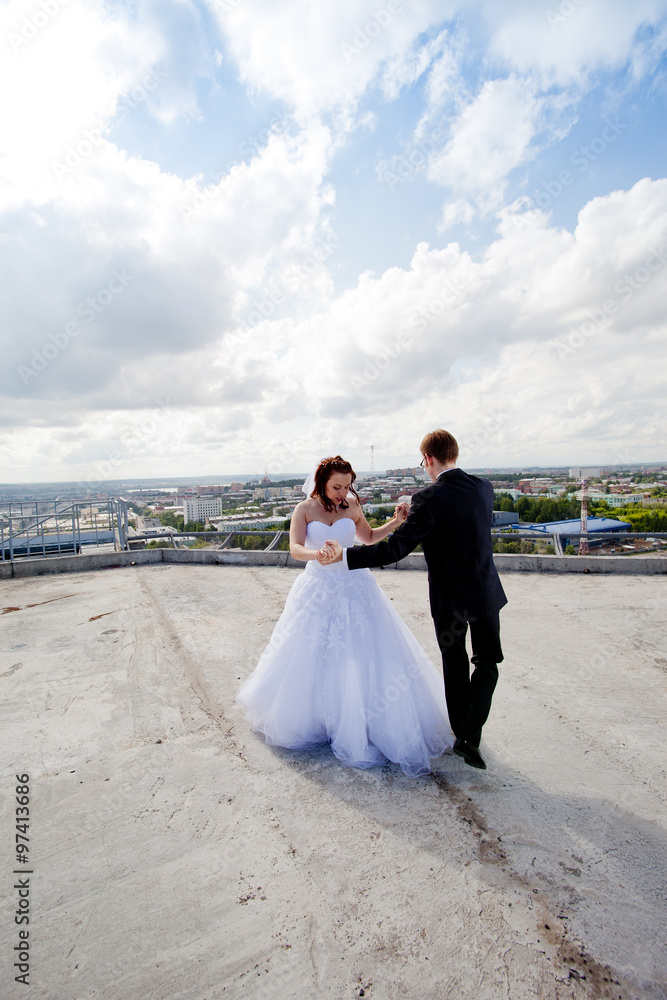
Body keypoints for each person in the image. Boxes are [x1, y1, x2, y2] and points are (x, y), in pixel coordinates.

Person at [236, 455, 452, 777]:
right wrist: (317, 554)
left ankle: (363, 717)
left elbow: (369, 538)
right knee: (313, 653)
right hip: (318, 587)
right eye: (337, 487)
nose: (342, 493)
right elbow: (295, 548)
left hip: (356, 585)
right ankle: (320, 717)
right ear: (321, 482)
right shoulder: (304, 509)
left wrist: (395, 522)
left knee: (364, 651)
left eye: (347, 486)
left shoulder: (352, 505)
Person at [319, 430, 507, 770]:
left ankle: (462, 733)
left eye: (423, 462)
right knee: (488, 662)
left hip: (448, 596)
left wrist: (345, 557)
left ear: (429, 459)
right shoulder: (484, 487)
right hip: (484, 590)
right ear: (454, 454)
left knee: (454, 663)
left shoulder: (428, 498)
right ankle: (469, 735)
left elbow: (394, 550)